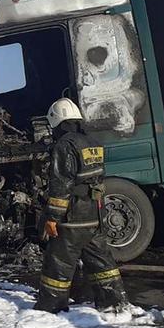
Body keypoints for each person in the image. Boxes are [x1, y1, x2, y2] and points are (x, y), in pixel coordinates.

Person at [34, 98, 128, 313]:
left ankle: (51, 306)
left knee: (59, 262)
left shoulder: (64, 145)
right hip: (94, 212)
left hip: (73, 216)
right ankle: (115, 302)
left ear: (58, 122)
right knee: (101, 261)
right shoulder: (93, 142)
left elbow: (61, 185)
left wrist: (52, 218)